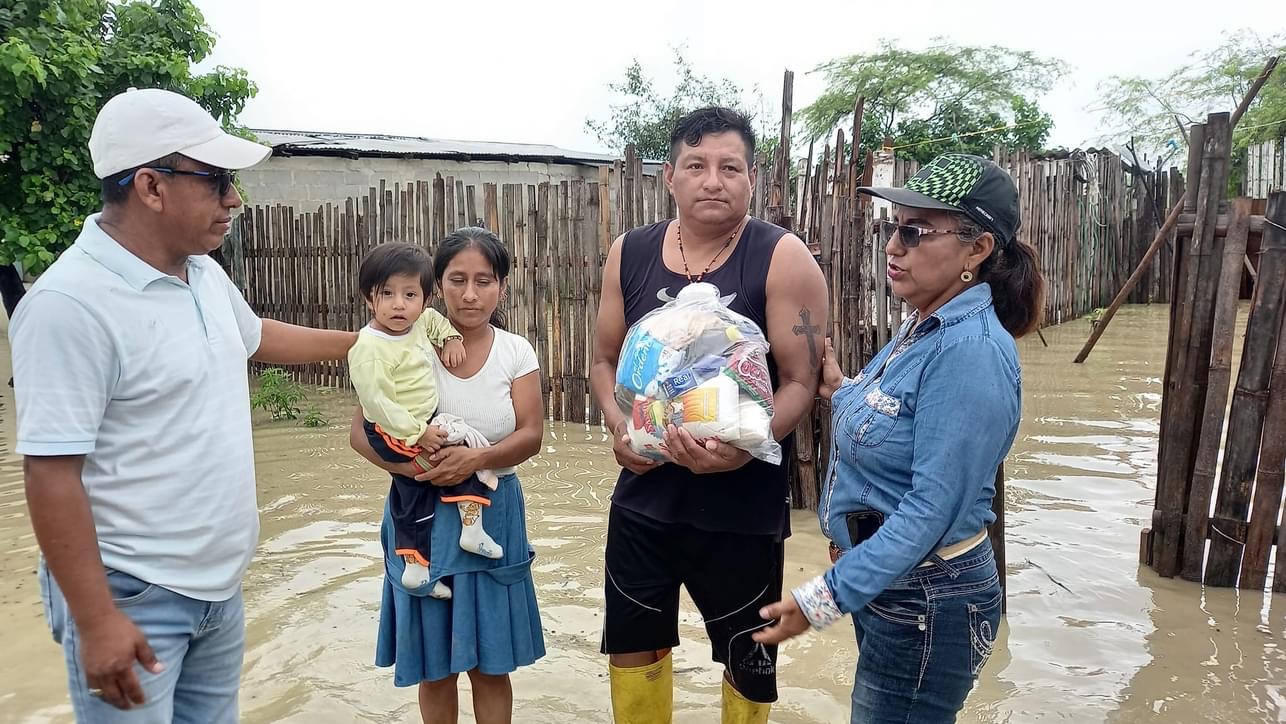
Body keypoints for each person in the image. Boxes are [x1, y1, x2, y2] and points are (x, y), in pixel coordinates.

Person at [11, 88, 358, 722]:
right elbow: (50, 473)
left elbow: (257, 337)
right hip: (130, 597)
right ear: (151, 186)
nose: (235, 199)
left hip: (217, 590)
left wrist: (370, 345)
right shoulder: (69, 305)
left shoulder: (200, 272)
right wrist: (96, 621)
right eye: (217, 180)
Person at [754, 153, 1045, 724]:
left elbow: (930, 511)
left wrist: (821, 600)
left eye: (915, 232)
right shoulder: (925, 326)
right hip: (896, 587)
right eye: (895, 228)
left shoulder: (969, 352)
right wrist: (840, 389)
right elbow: (899, 424)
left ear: (977, 249)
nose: (893, 246)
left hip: (928, 597)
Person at [589, 106, 828, 723]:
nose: (713, 181)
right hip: (644, 495)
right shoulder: (630, 252)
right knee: (633, 648)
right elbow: (604, 361)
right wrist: (621, 428)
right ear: (669, 175)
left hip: (742, 507)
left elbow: (800, 381)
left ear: (753, 179)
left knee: (748, 659)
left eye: (730, 167)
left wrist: (748, 444)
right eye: (696, 166)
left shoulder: (782, 257)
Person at [349, 227, 545, 724]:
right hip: (422, 516)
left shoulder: (516, 352)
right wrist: (414, 468)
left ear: (502, 286)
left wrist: (473, 461)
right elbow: (360, 435)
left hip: (493, 515)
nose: (470, 294)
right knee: (433, 668)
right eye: (457, 280)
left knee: (492, 667)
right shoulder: (405, 343)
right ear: (437, 286)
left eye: (484, 280)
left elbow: (531, 436)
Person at [349, 241, 505, 597]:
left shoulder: (418, 323)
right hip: (393, 430)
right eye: (387, 294)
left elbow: (434, 321)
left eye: (409, 295)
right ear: (369, 298)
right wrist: (418, 433)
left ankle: (459, 539)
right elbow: (378, 405)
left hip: (421, 421)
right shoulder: (369, 347)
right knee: (420, 484)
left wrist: (450, 338)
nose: (399, 304)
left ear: (424, 299)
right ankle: (420, 566)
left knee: (458, 455)